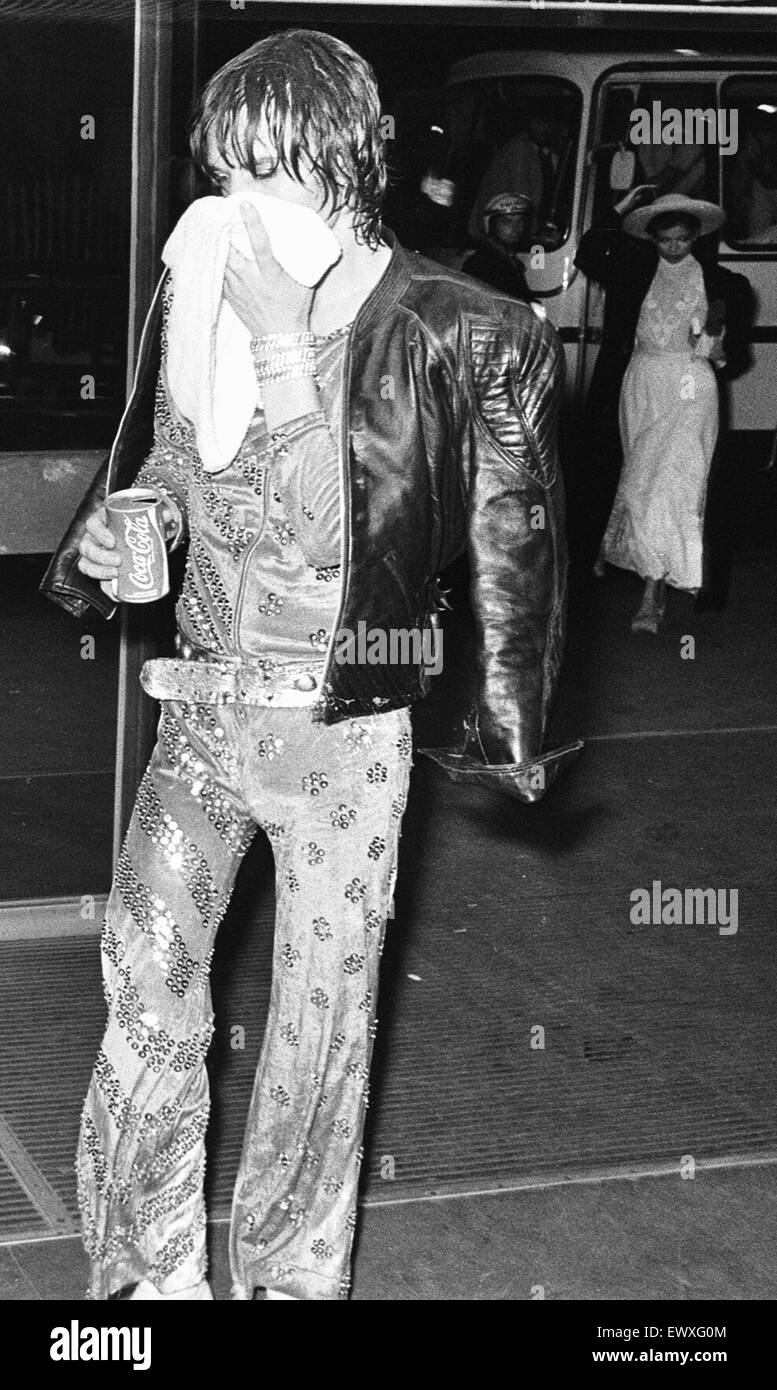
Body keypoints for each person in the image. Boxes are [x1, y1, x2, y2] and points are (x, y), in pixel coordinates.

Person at [41, 29, 574, 1302]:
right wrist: (143, 524)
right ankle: (142, 1285)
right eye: (224, 173)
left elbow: (348, 531)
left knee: (318, 1033)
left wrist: (283, 343)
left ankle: (287, 1279)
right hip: (204, 718)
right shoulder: (207, 294)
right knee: (147, 983)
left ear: (342, 166)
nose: (235, 207)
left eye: (266, 172)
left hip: (341, 737)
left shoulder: (442, 329)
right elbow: (177, 457)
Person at [575, 188, 752, 627]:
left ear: (697, 238)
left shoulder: (726, 283)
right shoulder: (631, 271)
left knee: (674, 481)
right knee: (639, 477)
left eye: (683, 239)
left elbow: (738, 354)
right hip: (641, 383)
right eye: (664, 239)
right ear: (651, 240)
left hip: (692, 388)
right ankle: (639, 561)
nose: (674, 248)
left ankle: (653, 592)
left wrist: (716, 347)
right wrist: (621, 205)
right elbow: (589, 250)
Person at [462, 192, 535, 303]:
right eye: (507, 222)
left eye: (520, 221)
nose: (516, 228)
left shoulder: (507, 259)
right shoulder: (483, 264)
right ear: (492, 226)